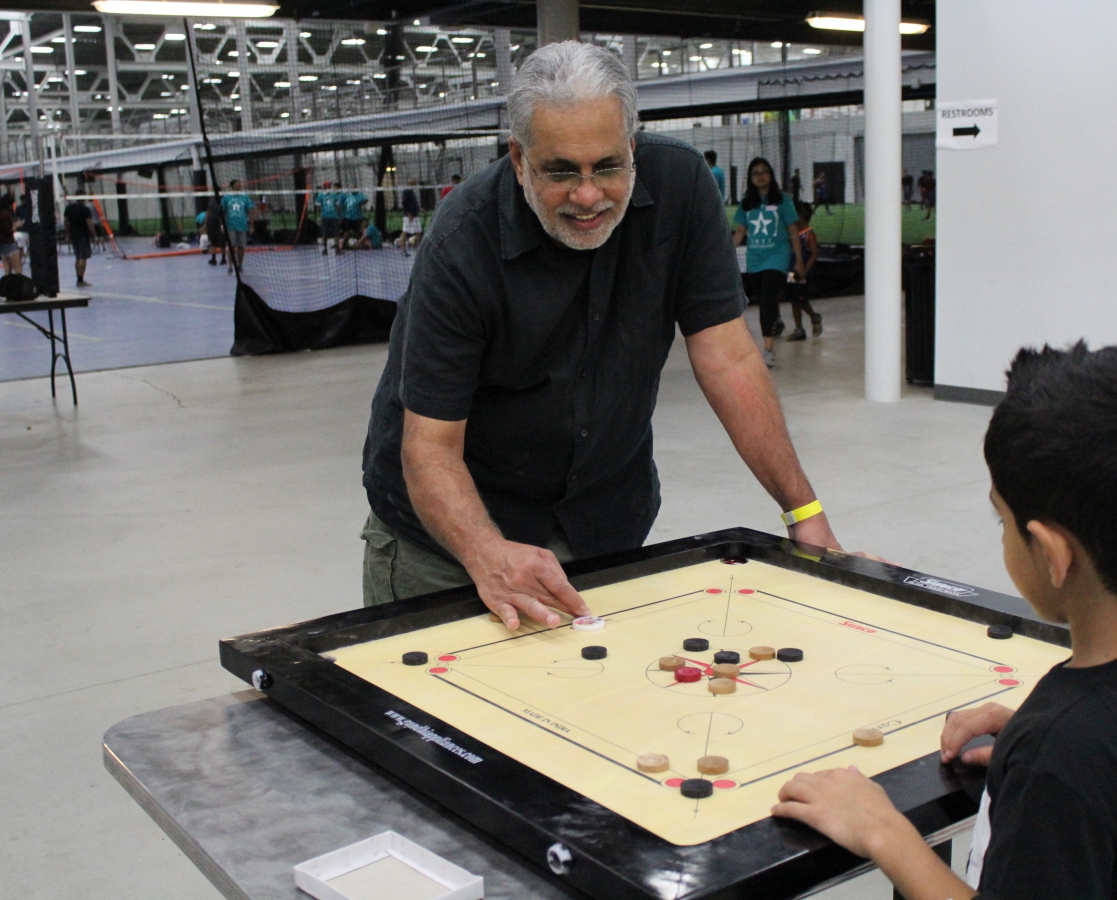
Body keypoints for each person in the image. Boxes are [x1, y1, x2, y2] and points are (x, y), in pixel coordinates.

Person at [361, 41, 842, 625]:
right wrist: (488, 554)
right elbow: (429, 446)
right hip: (450, 547)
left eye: (608, 166)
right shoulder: (463, 240)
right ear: (518, 159)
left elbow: (730, 358)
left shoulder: (682, 189)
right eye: (561, 171)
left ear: (632, 147)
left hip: (603, 526)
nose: (588, 196)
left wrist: (804, 511)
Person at [770, 337, 1117, 900]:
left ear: (1052, 555)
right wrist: (1068, 738)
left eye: (1001, 520)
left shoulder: (1059, 762)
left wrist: (884, 831)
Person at [731, 157, 795, 367]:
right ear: (750, 178)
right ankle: (775, 322)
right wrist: (726, 253)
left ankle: (768, 351)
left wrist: (799, 260)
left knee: (767, 300)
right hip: (754, 259)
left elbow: (793, 230)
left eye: (764, 171)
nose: (760, 176)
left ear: (771, 175)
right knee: (765, 299)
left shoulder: (782, 200)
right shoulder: (747, 203)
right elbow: (741, 231)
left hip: (777, 256)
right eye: (756, 173)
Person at [786, 204, 823, 341]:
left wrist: (805, 270)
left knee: (800, 298)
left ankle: (814, 316)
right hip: (793, 271)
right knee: (793, 299)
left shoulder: (809, 234)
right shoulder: (795, 233)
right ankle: (799, 328)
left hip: (803, 272)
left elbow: (814, 254)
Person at [221, 180, 255, 273]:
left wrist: (251, 225)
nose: (239, 186)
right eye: (236, 185)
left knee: (241, 247)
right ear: (232, 186)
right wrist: (222, 225)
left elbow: (250, 211)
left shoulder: (245, 198)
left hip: (242, 225)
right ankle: (231, 266)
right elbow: (222, 212)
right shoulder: (226, 198)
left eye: (240, 184)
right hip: (230, 226)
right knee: (231, 246)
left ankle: (240, 265)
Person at [62, 196, 95, 287]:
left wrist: (68, 232)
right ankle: (80, 280)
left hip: (73, 235)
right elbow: (89, 222)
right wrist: (94, 234)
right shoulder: (85, 209)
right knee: (82, 257)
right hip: (83, 235)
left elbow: (65, 221)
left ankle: (78, 278)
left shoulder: (69, 208)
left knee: (77, 257)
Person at [315, 181, 341, 255]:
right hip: (325, 217)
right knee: (324, 234)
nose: (328, 187)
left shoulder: (334, 194)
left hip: (334, 216)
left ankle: (337, 248)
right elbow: (318, 207)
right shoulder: (320, 195)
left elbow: (337, 206)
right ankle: (325, 249)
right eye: (327, 186)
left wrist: (339, 216)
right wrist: (319, 217)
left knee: (336, 233)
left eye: (329, 185)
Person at [397, 177, 422, 255]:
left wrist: (420, 208)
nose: (415, 184)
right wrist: (409, 213)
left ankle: (419, 250)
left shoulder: (412, 192)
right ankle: (403, 250)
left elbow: (413, 203)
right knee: (405, 232)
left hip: (415, 215)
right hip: (408, 216)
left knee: (418, 232)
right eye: (414, 182)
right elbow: (405, 203)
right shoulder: (406, 191)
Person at [204, 195, 226, 267]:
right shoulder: (211, 201)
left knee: (222, 242)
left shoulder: (223, 201)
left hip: (219, 224)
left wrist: (222, 225)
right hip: (211, 224)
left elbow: (224, 213)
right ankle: (213, 258)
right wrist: (206, 223)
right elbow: (208, 212)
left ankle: (223, 258)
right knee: (212, 242)